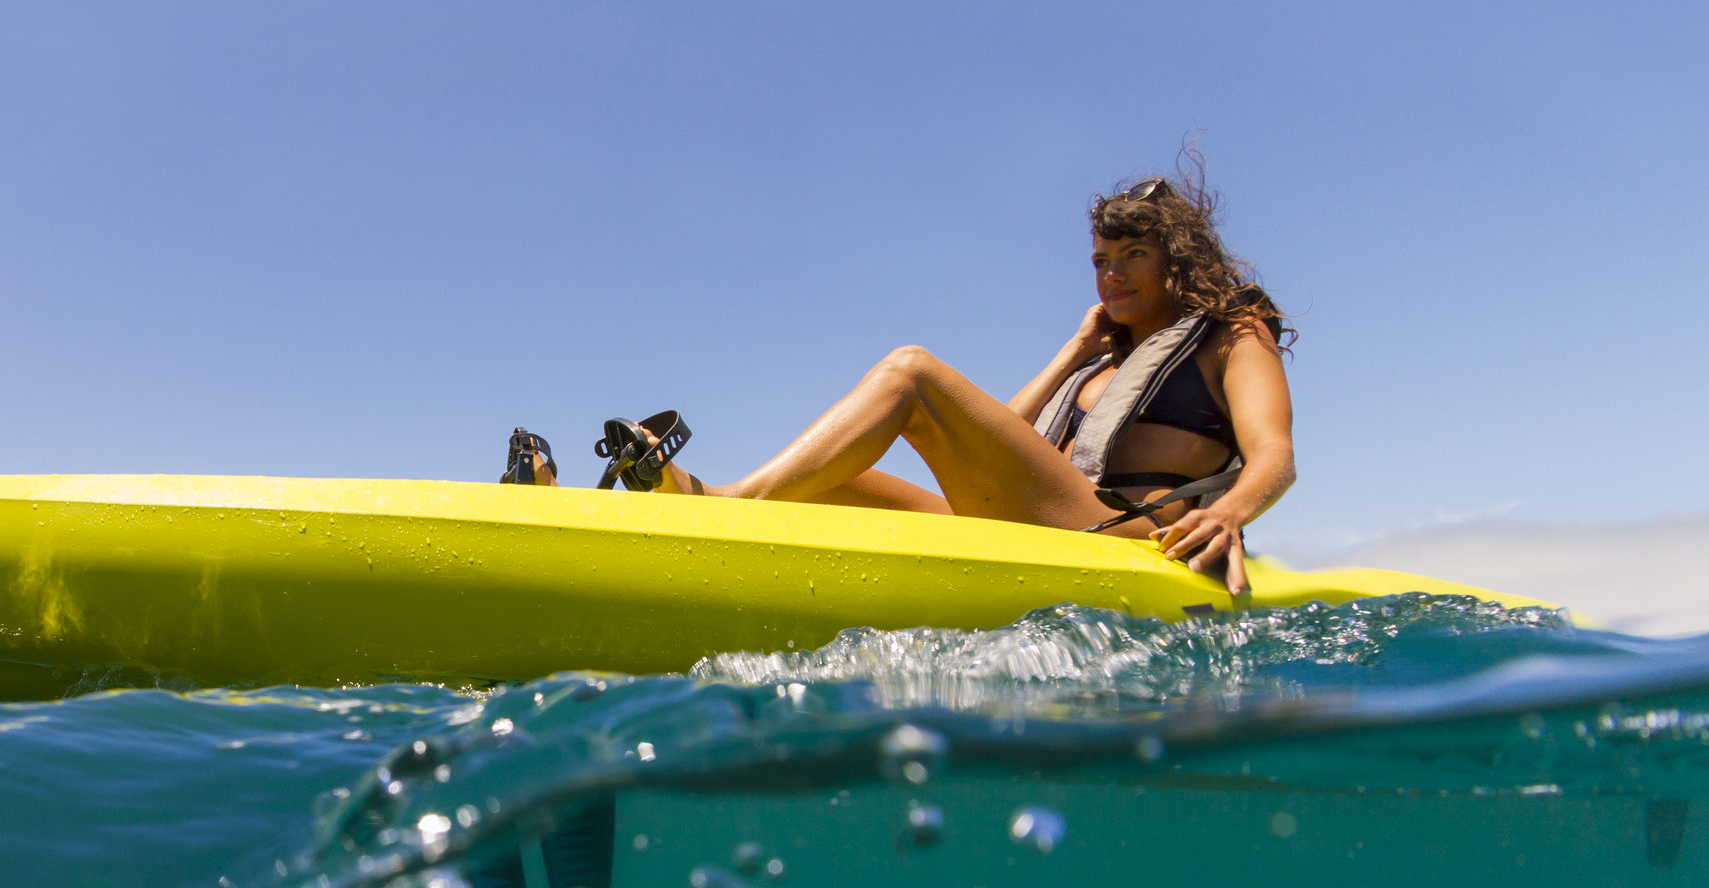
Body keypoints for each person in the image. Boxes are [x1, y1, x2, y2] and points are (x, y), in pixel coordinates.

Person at [502, 170, 1296, 596]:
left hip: (1128, 538)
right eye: (1100, 260)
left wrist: (1226, 516)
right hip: (1050, 519)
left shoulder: (1232, 334)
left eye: (1131, 257)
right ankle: (682, 494)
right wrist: (1070, 353)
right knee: (844, 483)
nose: (1111, 274)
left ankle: (720, 518)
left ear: (1175, 260)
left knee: (911, 372)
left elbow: (1274, 456)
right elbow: (1006, 446)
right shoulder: (1099, 357)